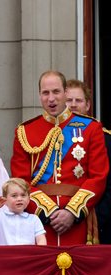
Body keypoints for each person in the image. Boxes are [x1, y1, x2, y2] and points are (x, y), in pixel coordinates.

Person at [11, 70, 108, 245]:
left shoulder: (91, 128)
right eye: (46, 93)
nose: (51, 98)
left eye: (56, 92)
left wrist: (72, 212)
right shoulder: (25, 131)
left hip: (79, 220)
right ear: (39, 95)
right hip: (39, 222)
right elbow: (20, 181)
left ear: (65, 92)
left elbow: (98, 177)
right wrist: (48, 212)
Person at [66, 78, 111, 244]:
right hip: (57, 224)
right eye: (68, 100)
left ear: (88, 105)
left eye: (79, 100)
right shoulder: (49, 140)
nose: (73, 105)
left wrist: (91, 219)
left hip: (97, 225)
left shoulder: (106, 140)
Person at [0, 178, 47, 245]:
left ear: (28, 199)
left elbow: (41, 239)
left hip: (27, 255)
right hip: (6, 255)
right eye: (14, 196)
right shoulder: (0, 216)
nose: (19, 199)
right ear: (5, 201)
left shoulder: (34, 219)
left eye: (23, 195)